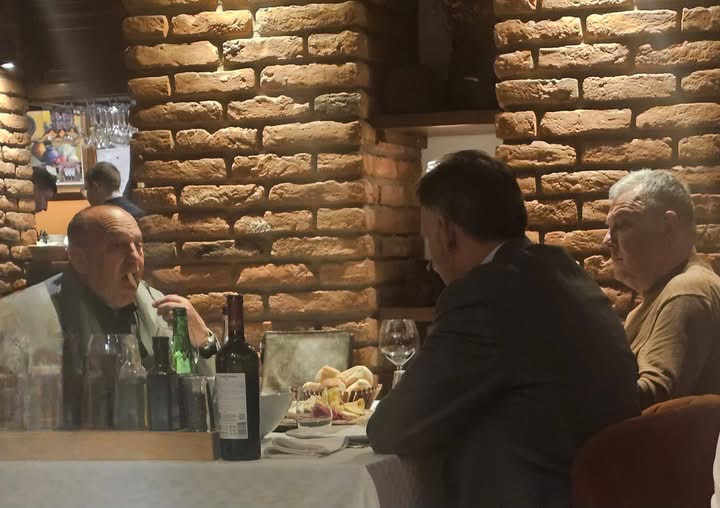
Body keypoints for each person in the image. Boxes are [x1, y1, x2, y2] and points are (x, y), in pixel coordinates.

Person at [367, 150, 639, 508]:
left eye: (427, 237)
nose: (432, 258)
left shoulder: (484, 295)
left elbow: (392, 427)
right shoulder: (562, 270)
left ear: (446, 232)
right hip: (605, 490)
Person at [0, 205, 217, 425]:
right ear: (79, 259)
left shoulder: (160, 309)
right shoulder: (19, 317)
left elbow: (210, 399)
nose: (134, 258)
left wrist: (204, 341)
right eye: (116, 246)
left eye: (138, 245)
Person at [603, 170, 720, 410]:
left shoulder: (686, 290)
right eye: (609, 227)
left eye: (622, 224)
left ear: (668, 227)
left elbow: (652, 398)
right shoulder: (655, 301)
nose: (606, 240)